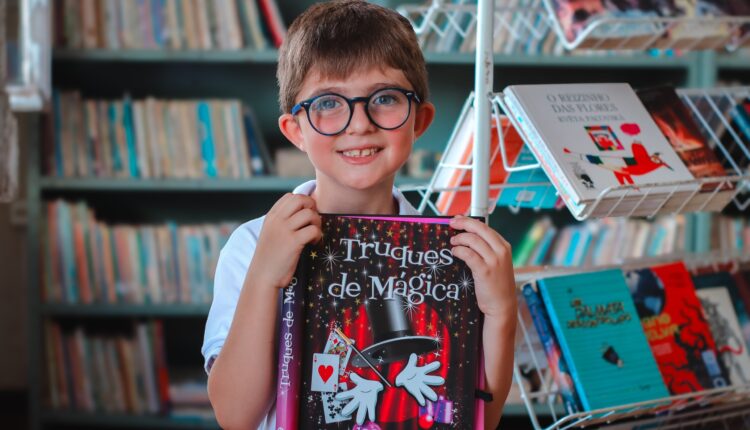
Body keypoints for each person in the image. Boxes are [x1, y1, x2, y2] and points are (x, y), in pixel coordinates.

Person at [201, 1, 517, 428]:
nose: (359, 124)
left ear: (419, 121)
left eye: (384, 98)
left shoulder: (452, 253)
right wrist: (264, 276)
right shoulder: (254, 245)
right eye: (329, 102)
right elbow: (235, 416)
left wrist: (500, 311)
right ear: (295, 130)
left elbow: (479, 418)